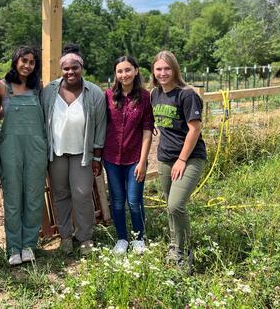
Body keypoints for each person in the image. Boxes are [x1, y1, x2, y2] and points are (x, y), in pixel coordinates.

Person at [41, 44, 107, 256]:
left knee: (82, 194)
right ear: (61, 69)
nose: (71, 72)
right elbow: (43, 121)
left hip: (82, 154)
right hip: (57, 153)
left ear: (82, 67)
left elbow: (100, 127)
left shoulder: (94, 92)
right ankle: (66, 237)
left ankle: (85, 237)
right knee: (60, 195)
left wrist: (97, 157)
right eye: (66, 68)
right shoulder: (49, 91)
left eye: (75, 67)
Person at [150, 50, 207, 273]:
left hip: (190, 157)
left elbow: (195, 128)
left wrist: (182, 159)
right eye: (159, 69)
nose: (163, 73)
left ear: (175, 69)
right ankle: (175, 246)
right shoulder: (155, 94)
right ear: (153, 71)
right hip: (165, 158)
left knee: (176, 204)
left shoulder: (186, 94)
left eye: (167, 68)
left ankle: (184, 253)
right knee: (170, 206)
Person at [0, 46, 48, 266]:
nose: (27, 65)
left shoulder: (39, 88)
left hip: (36, 149)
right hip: (10, 149)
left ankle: (29, 246)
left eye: (32, 62)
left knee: (34, 198)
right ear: (15, 61)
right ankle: (13, 248)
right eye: (23, 60)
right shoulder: (1, 87)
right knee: (13, 199)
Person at [103, 56, 153, 255]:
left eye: (128, 70)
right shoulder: (107, 95)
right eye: (120, 71)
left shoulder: (145, 97)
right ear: (115, 74)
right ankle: (122, 238)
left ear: (136, 71)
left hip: (135, 158)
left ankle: (139, 238)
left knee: (134, 200)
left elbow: (148, 129)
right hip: (112, 157)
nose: (124, 74)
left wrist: (142, 161)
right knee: (116, 200)